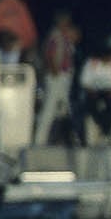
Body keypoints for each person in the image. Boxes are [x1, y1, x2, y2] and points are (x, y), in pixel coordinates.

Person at [34, 11, 79, 144]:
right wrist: (55, 71)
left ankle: (67, 138)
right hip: (56, 77)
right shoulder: (55, 37)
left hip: (65, 76)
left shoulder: (65, 38)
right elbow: (49, 54)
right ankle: (39, 140)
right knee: (50, 107)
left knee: (64, 109)